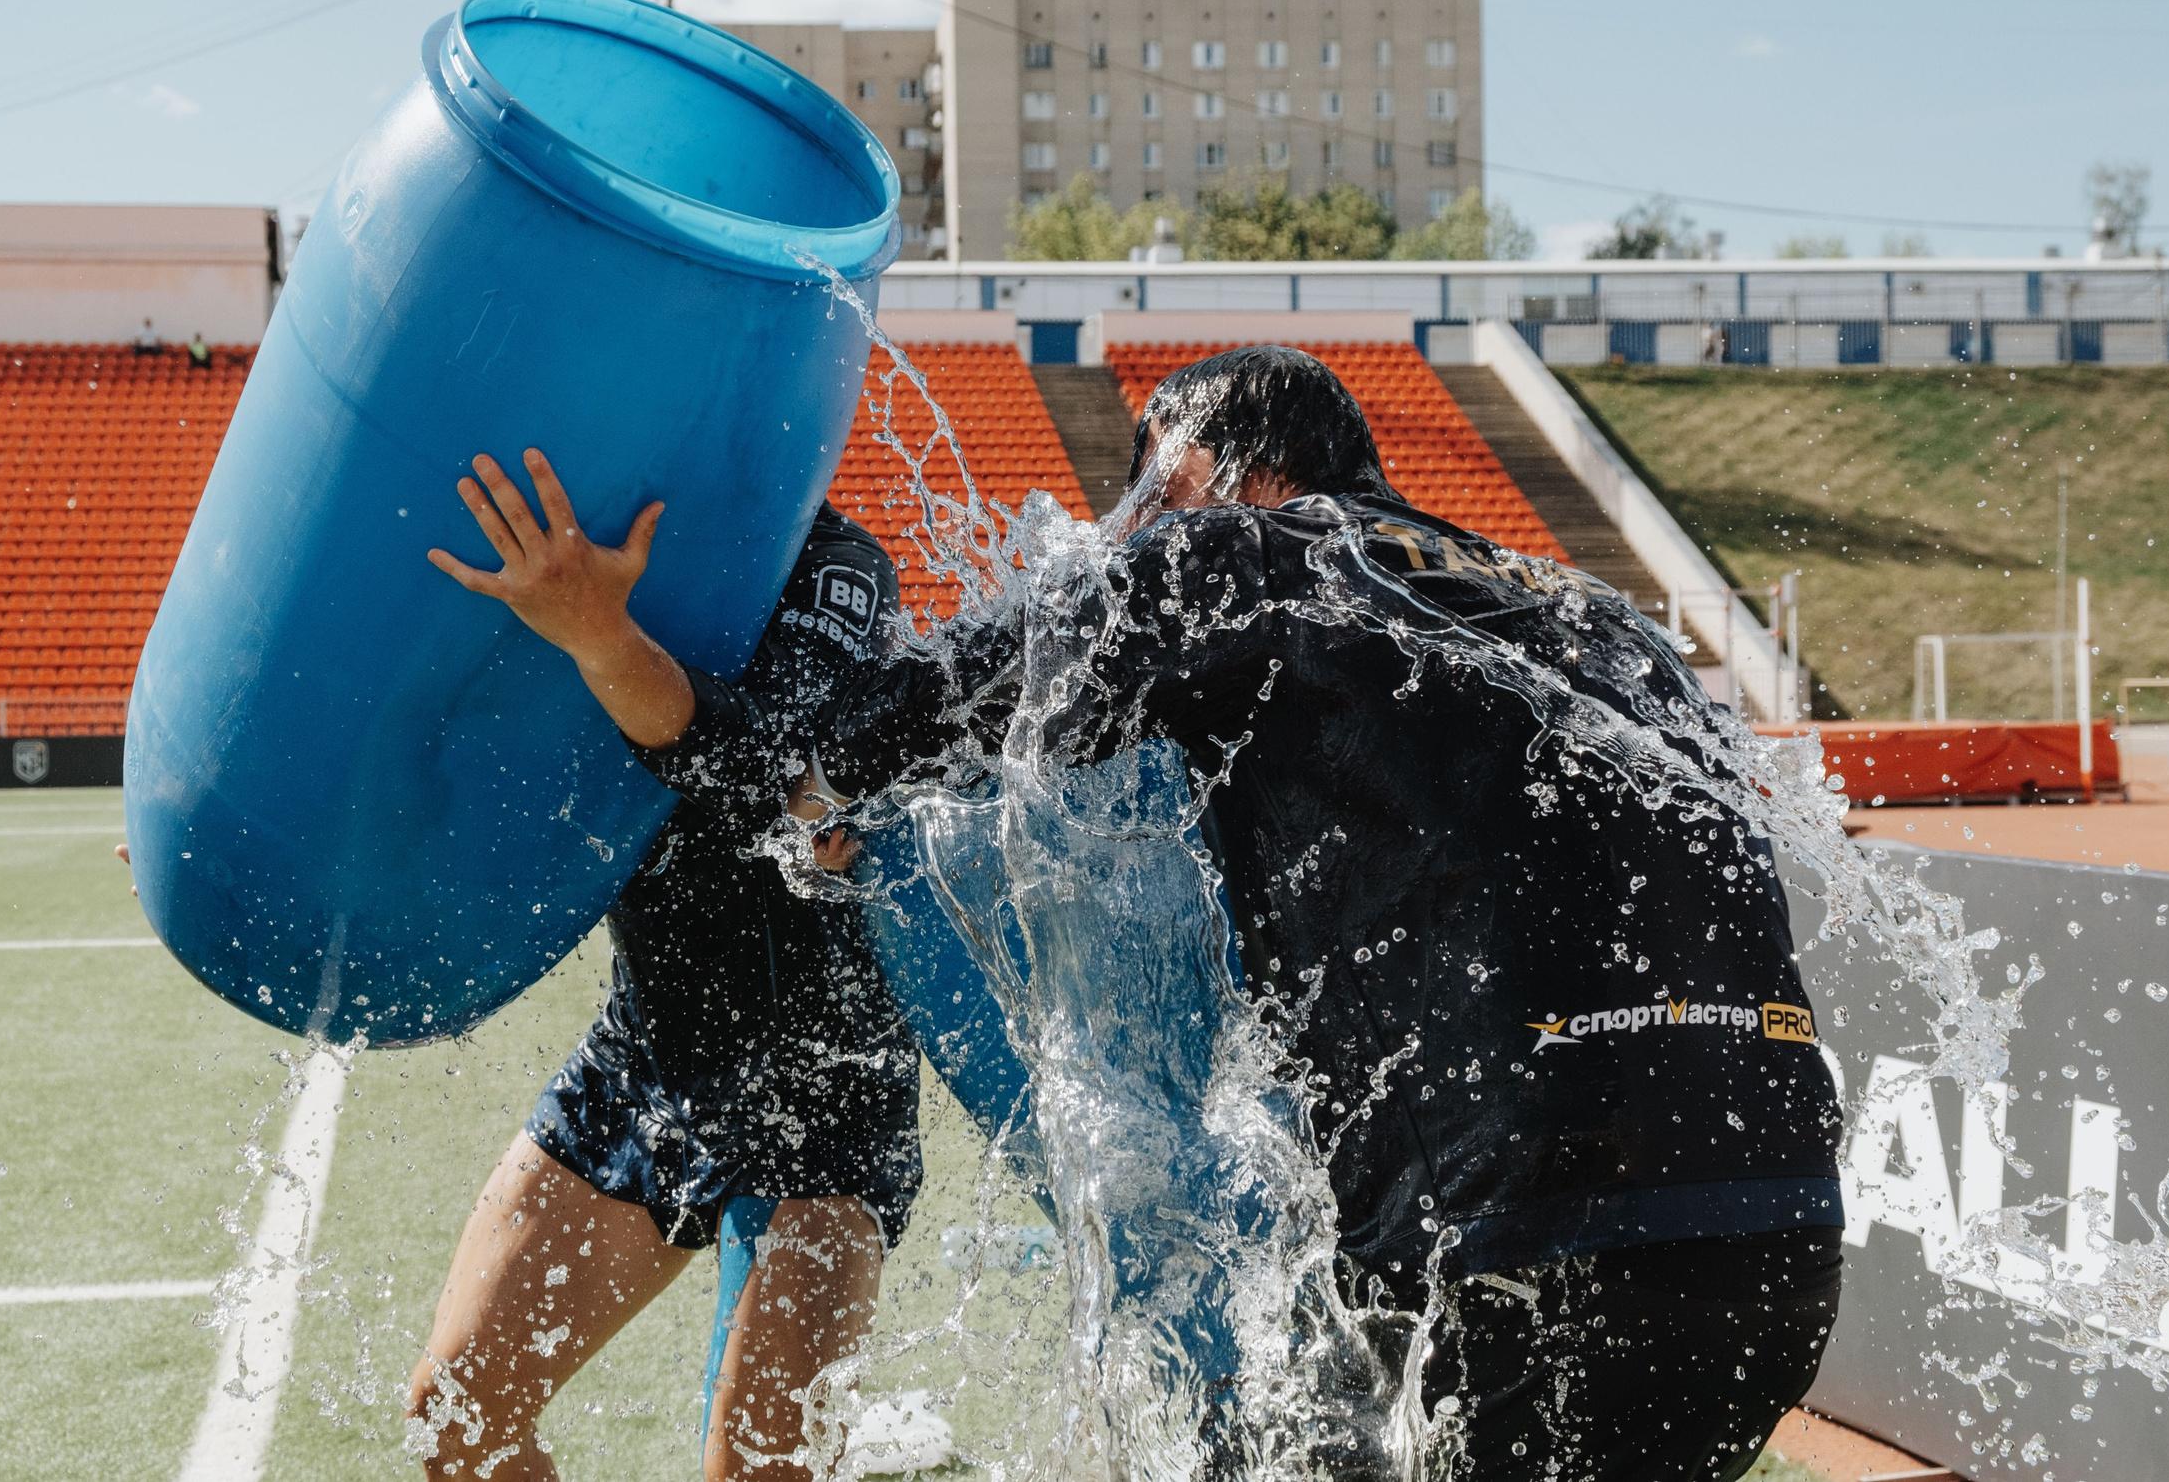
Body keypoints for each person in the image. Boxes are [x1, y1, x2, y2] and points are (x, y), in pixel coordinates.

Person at [771, 348, 1844, 1481]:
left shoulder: (1251, 555)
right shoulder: (1601, 617)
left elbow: (970, 683)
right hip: (1776, 1237)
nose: (1128, 533)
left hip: (1528, 1246)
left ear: (1191, 471)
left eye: (1142, 501)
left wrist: (816, 789)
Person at [406, 449, 920, 1482]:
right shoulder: (550, 553)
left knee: (758, 1471)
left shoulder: (836, 564)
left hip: (825, 1088)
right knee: (458, 1418)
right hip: (650, 1056)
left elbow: (778, 780)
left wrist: (602, 635)